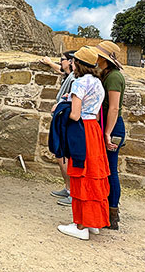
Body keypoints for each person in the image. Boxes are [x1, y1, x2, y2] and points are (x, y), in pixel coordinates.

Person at [57, 46, 110, 240]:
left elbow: (75, 114)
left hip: (81, 130)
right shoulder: (98, 82)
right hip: (93, 130)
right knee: (94, 174)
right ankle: (92, 221)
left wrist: (64, 107)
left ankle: (80, 226)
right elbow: (96, 114)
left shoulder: (79, 83)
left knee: (81, 174)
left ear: (77, 63)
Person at [94, 41, 125, 230]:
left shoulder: (114, 77)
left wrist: (107, 134)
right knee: (106, 169)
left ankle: (112, 214)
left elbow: (114, 108)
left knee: (111, 170)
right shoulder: (106, 75)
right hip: (108, 126)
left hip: (112, 128)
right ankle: (106, 210)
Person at [41, 51, 76, 206]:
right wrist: (49, 63)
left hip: (67, 117)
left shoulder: (75, 79)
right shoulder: (69, 75)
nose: (60, 63)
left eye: (62, 60)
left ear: (70, 62)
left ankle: (72, 191)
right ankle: (68, 187)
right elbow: (60, 70)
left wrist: (61, 105)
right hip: (63, 116)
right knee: (60, 154)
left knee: (64, 155)